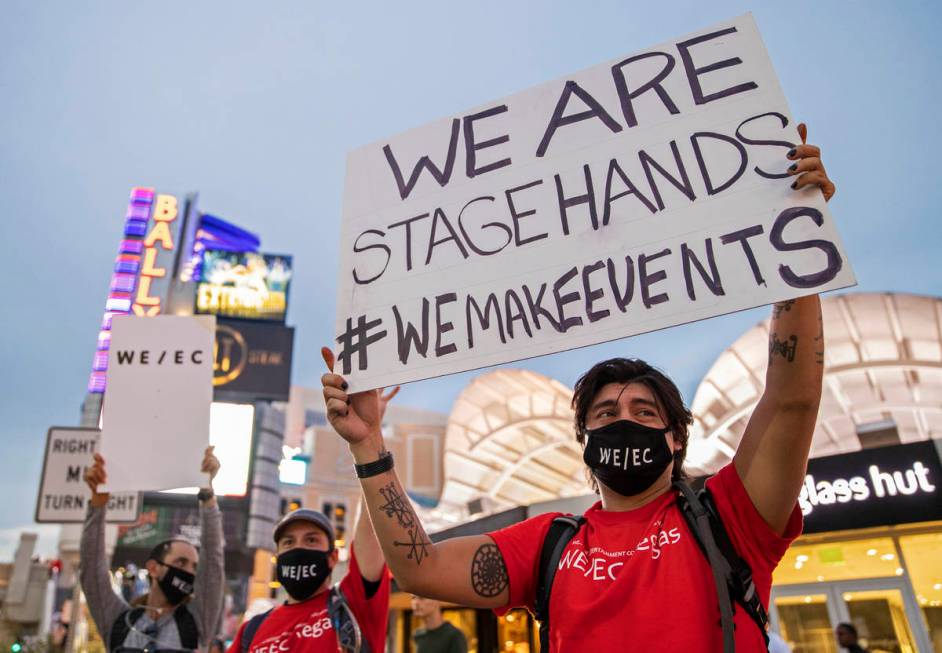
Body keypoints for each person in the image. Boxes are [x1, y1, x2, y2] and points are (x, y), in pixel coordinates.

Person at [320, 125, 835, 652]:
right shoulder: (550, 544)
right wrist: (368, 445)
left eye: (644, 411)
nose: (624, 419)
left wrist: (792, 240)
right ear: (584, 439)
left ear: (677, 438)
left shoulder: (730, 516)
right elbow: (421, 569)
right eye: (606, 414)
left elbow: (791, 400)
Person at [81, 446, 225, 652]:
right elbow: (91, 571)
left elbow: (213, 561)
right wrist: (98, 502)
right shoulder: (118, 620)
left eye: (194, 567)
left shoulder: (196, 621)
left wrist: (207, 493)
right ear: (153, 568)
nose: (189, 572)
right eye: (180, 563)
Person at [226, 502, 390, 653]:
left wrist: (367, 471)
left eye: (311, 540)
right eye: (288, 542)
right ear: (277, 557)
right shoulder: (251, 630)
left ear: (332, 557)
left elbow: (371, 520)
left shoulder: (354, 604)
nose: (298, 548)